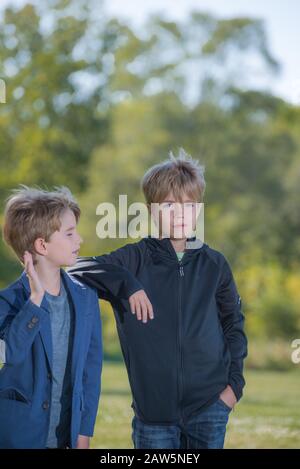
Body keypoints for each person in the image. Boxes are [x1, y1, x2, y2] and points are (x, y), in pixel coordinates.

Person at [0, 186, 152, 449]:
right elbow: (10, 355)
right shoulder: (9, 302)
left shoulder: (86, 298)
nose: (79, 240)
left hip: (67, 438)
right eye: (70, 234)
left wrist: (84, 431)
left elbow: (90, 371)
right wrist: (34, 302)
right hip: (17, 437)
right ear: (41, 245)